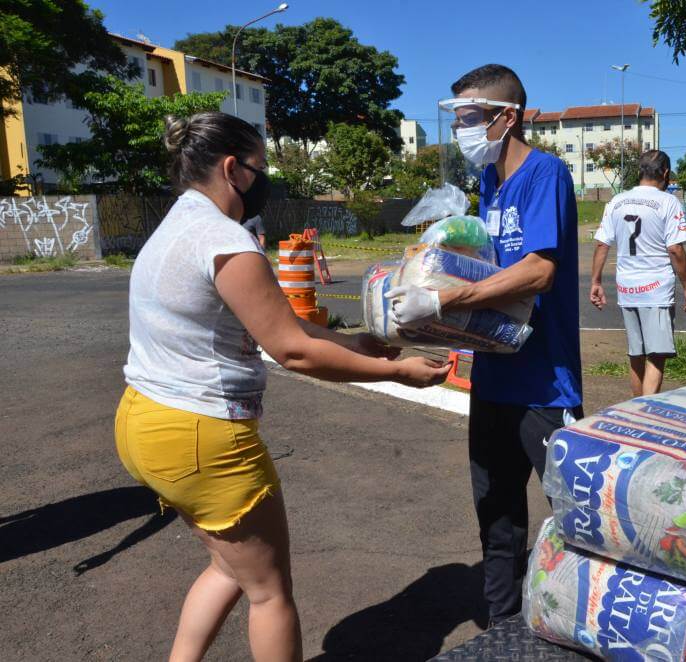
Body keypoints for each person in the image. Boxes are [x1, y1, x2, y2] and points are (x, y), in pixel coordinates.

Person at [116, 112, 450, 662]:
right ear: (233, 168)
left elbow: (283, 325)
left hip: (145, 422)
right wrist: (395, 371)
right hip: (202, 436)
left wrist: (356, 343)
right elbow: (290, 349)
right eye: (260, 166)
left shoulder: (177, 225)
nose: (265, 178)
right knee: (270, 593)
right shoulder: (227, 242)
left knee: (229, 566)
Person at [386, 64, 583, 624]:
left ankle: (577, 617)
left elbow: (539, 271)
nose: (462, 129)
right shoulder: (489, 184)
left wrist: (450, 299)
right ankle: (501, 630)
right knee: (496, 517)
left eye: (471, 117)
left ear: (507, 116)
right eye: (460, 119)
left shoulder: (545, 175)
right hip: (493, 378)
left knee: (574, 513)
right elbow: (489, 266)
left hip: (545, 384)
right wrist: (440, 258)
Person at [589, 149, 686, 396]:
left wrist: (596, 281)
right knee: (656, 356)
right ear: (666, 174)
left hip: (627, 288)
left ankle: (635, 406)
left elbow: (602, 244)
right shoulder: (669, 202)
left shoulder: (617, 201)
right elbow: (675, 250)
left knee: (636, 354)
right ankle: (645, 412)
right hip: (655, 289)